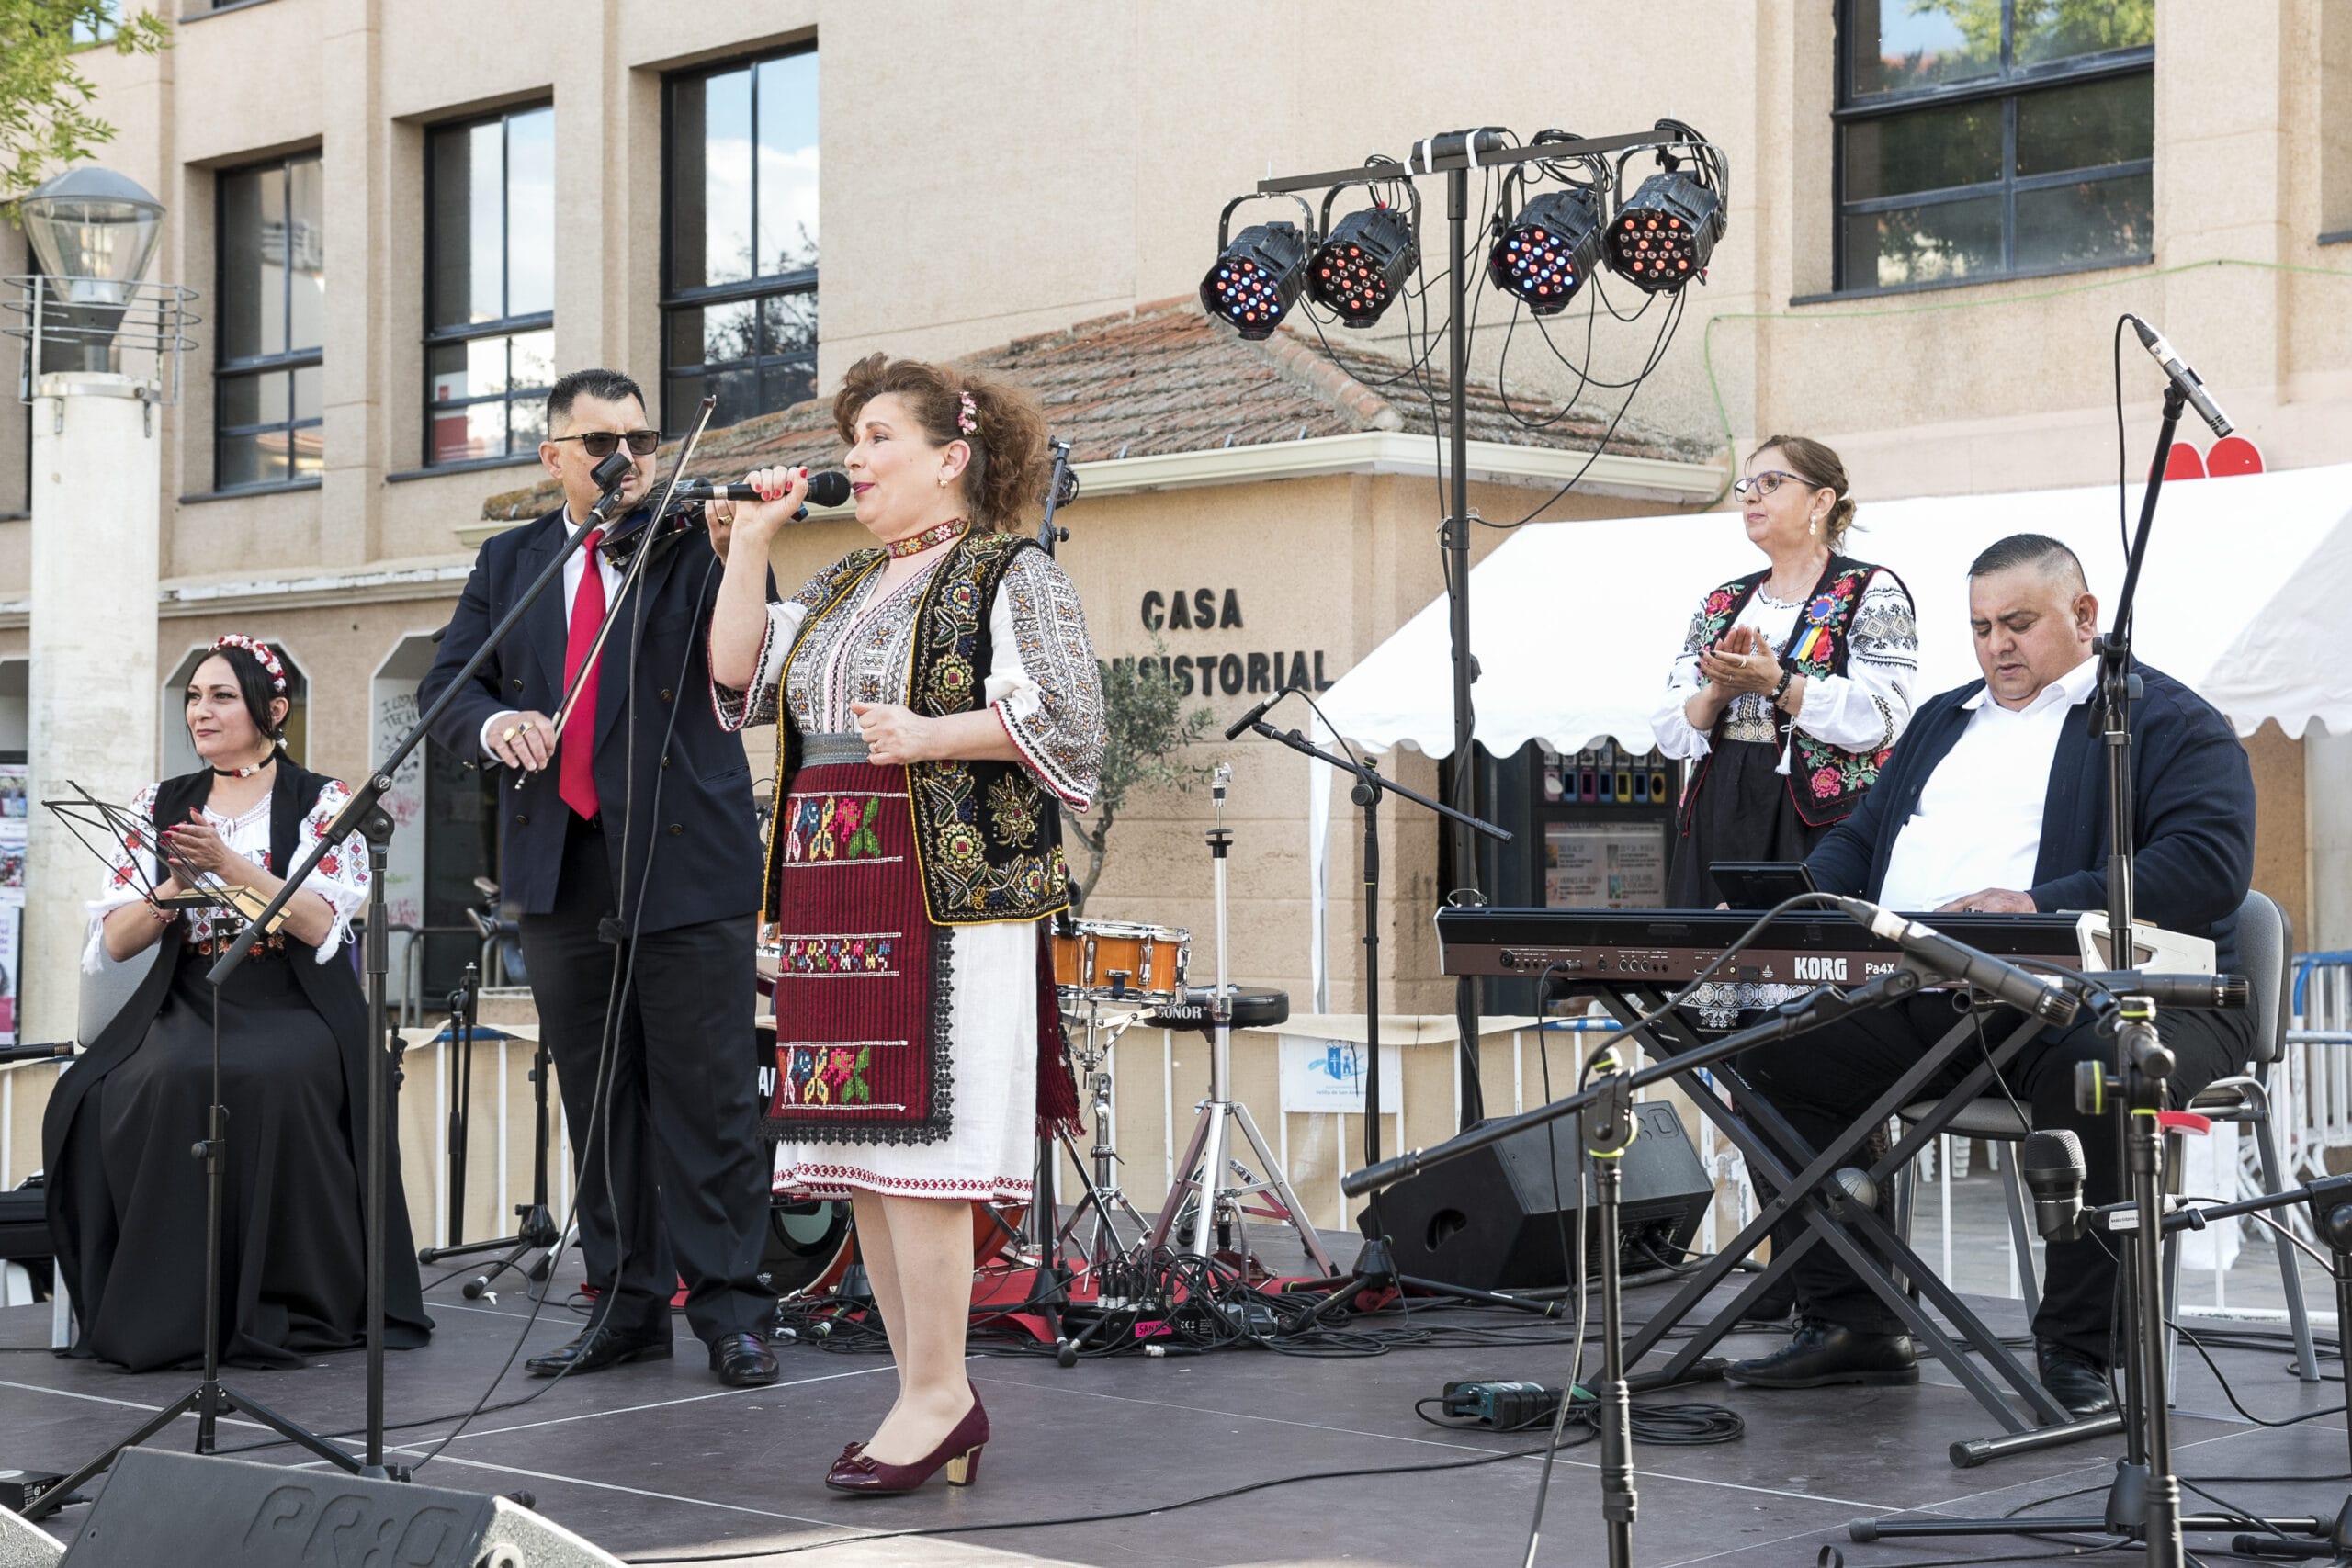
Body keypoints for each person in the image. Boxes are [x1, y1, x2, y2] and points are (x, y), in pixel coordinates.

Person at [1725, 534, 2257, 1419]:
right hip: (1941, 990)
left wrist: (2038, 903)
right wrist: (1798, 901)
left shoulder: (2170, 720)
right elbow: (1863, 839)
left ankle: (2081, 1347)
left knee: (2098, 1068)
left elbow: (2209, 866)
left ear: (2084, 615)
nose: (1997, 645)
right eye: (1980, 628)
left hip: (2133, 997)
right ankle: (1855, 1320)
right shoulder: (1944, 718)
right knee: (1777, 1052)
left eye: (2018, 622)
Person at [707, 353, 1103, 1495]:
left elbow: (1072, 722)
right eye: (853, 438)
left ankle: (939, 1393)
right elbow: (737, 680)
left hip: (946, 893)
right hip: (833, 888)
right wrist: (748, 545)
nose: (856, 457)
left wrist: (933, 736)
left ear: (951, 457)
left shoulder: (1009, 573)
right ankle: (923, 1388)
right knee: (866, 1159)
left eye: (880, 437)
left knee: (922, 1154)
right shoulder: (841, 583)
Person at [420, 368, 779, 1389]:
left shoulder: (697, 541)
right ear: (554, 459)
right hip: (562, 865)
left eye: (641, 439)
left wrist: (741, 549)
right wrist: (498, 723)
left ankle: (731, 1313)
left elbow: (750, 666)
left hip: (686, 859)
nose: (626, 458)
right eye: (599, 443)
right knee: (599, 1097)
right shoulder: (514, 559)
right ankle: (625, 1304)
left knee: (708, 1098)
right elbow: (450, 684)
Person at [43, 636, 432, 1371]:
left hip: (296, 999)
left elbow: (319, 925)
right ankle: (170, 1309)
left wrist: (231, 865)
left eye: (221, 696)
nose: (201, 710)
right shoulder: (159, 804)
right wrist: (174, 887)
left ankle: (283, 1297)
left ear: (273, 710)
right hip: (189, 994)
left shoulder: (321, 801)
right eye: (195, 696)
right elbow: (117, 940)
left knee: (269, 1074)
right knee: (148, 1079)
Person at [1654, 436, 1917, 911]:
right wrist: (1717, 693)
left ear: (1821, 500)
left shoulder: (1870, 590)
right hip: (1722, 808)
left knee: (1797, 948)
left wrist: (1777, 685)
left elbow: (1883, 717)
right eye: (1747, 486)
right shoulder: (1722, 602)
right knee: (1713, 949)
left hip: (1816, 824)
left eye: (1771, 483)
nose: (1751, 497)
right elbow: (1671, 732)